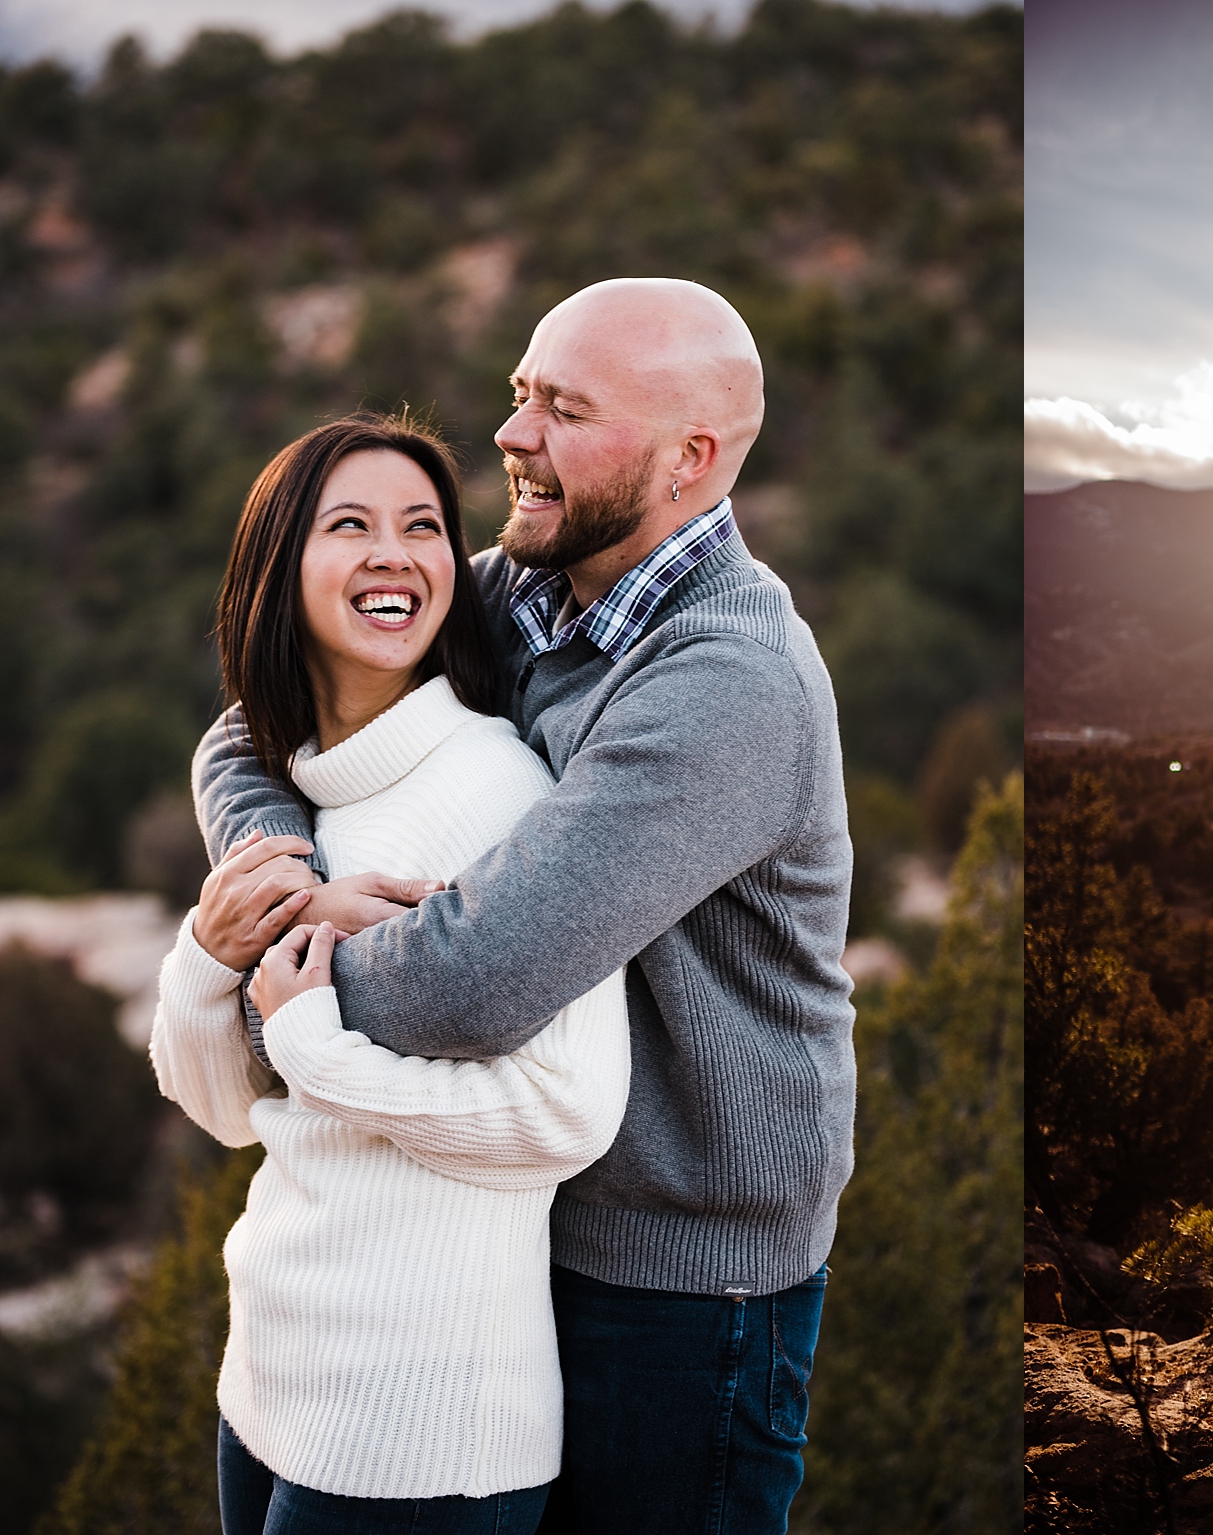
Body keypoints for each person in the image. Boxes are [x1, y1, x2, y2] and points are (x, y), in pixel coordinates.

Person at [192, 278, 856, 1532]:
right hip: (515, 1225)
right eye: (516, 394)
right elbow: (252, 722)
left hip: (682, 1279)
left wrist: (288, 984)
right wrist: (287, 874)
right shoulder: (513, 595)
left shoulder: (726, 680)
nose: (509, 435)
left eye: (561, 407)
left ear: (687, 458)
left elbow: (471, 979)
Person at [152, 415, 631, 1531]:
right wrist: (202, 955)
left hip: (421, 1432)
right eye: (350, 524)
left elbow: (567, 1114)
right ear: (280, 567)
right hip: (268, 1383)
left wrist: (316, 1046)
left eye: (422, 526)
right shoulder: (298, 800)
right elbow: (224, 1111)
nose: (394, 552)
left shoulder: (498, 795)